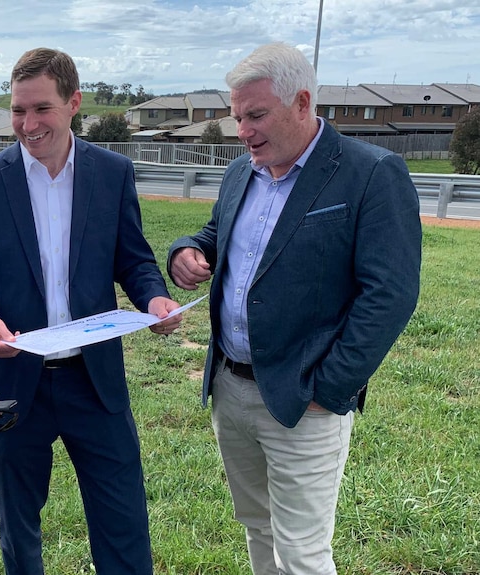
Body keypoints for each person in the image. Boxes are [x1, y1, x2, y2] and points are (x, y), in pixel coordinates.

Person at [167, 43, 422, 574]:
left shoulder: (371, 173)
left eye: (256, 115)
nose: (243, 130)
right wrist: (188, 253)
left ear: (302, 102)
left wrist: (329, 389)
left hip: (305, 399)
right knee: (257, 526)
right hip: (230, 389)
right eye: (238, 117)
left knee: (302, 552)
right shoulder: (243, 172)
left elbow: (390, 294)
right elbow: (218, 235)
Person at [0, 48, 182, 574]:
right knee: (19, 526)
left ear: (74, 103)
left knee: (122, 519)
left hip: (94, 382)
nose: (27, 125)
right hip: (12, 381)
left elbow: (135, 260)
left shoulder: (112, 173)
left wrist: (154, 297)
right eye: (18, 110)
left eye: (42, 109)